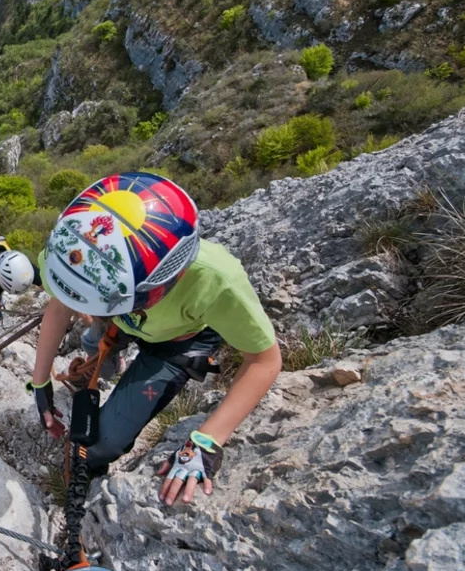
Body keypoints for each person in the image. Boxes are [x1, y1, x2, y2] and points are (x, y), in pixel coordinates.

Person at [27, 171, 282, 508]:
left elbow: (264, 360)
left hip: (177, 342)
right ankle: (108, 360)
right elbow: (61, 306)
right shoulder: (71, 251)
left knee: (100, 445)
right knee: (92, 344)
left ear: (161, 284)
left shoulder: (216, 281)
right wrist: (40, 381)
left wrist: (207, 440)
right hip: (121, 321)